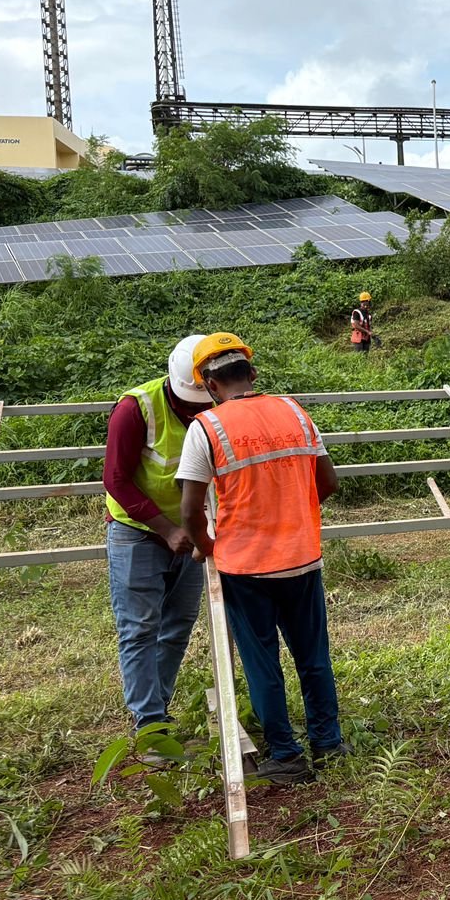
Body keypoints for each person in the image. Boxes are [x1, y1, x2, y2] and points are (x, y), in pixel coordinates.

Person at [177, 333, 345, 784]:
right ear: (251, 374)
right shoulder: (294, 411)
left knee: (262, 661)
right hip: (302, 557)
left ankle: (287, 757)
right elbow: (326, 482)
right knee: (313, 656)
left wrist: (207, 546)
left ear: (209, 385)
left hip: (246, 568)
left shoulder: (206, 428)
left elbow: (191, 511)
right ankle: (328, 742)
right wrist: (291, 516)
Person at [102, 335, 212, 734]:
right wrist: (166, 529)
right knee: (139, 627)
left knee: (178, 625)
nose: (194, 409)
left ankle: (156, 711)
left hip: (192, 532)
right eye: (188, 402)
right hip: (139, 533)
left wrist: (195, 529)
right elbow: (115, 478)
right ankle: (149, 725)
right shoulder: (136, 408)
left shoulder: (219, 403)